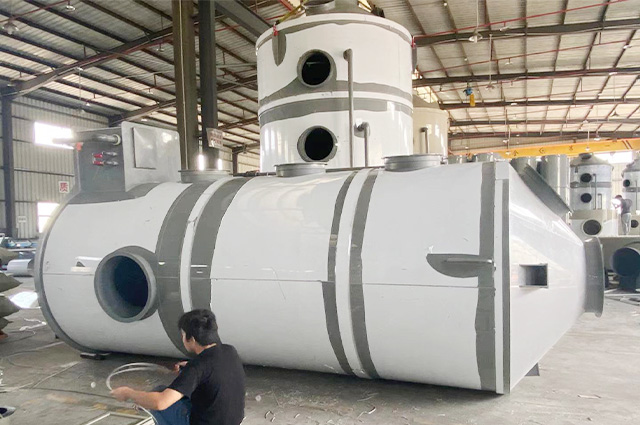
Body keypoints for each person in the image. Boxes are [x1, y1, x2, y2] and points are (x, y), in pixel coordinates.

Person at [111, 309, 246, 425]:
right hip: (233, 421)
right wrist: (188, 367)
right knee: (161, 391)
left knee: (158, 399)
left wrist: (129, 393)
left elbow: (160, 402)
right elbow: (213, 369)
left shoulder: (197, 367)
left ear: (191, 339)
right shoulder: (230, 351)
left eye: (183, 334)